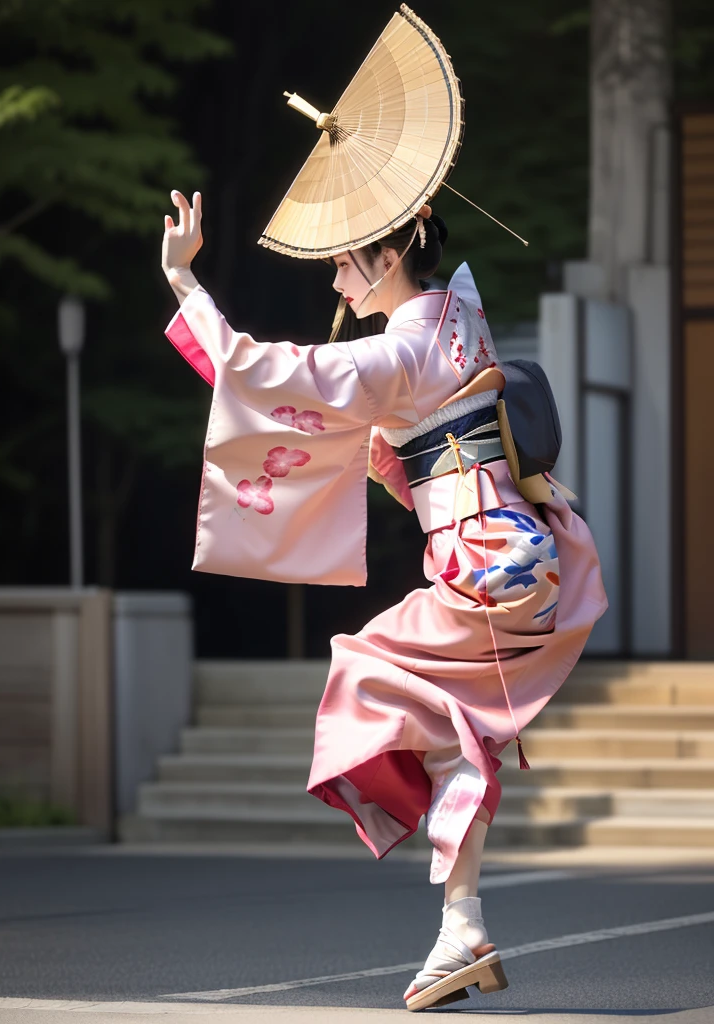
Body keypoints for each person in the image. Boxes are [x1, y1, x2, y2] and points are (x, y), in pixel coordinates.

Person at [161, 188, 607, 1012]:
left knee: (367, 670)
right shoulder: (457, 316)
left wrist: (186, 282)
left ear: (389, 256)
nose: (335, 281)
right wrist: (386, 450)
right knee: (444, 724)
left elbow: (263, 370)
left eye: (342, 261)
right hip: (520, 555)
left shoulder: (397, 354)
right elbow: (437, 437)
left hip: (483, 563)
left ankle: (462, 924)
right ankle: (459, 925)